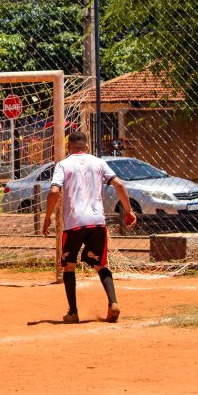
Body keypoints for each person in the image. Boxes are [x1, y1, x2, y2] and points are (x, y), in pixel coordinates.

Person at [42, 132, 136, 323]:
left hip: (74, 223)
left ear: (68, 147)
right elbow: (118, 184)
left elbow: (54, 191)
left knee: (69, 266)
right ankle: (113, 303)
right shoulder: (98, 162)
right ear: (86, 147)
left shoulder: (63, 164)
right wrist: (128, 210)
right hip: (97, 221)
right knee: (100, 264)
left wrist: (47, 217)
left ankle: (73, 312)